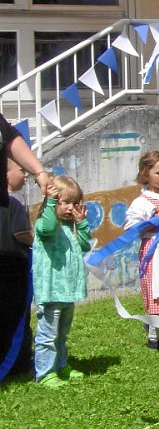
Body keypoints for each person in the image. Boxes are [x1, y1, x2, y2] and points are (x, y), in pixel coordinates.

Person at [33, 174, 91, 388]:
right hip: (51, 293)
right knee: (48, 336)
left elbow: (85, 245)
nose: (69, 207)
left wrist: (82, 223)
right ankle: (45, 373)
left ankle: (60, 364)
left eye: (74, 203)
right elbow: (48, 228)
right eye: (64, 202)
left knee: (61, 334)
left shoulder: (70, 228)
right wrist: (49, 201)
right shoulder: (45, 225)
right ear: (52, 202)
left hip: (67, 293)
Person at [124, 150, 159, 349]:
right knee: (156, 292)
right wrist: (156, 221)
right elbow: (131, 229)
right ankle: (156, 334)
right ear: (146, 174)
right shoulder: (142, 202)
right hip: (154, 250)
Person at [0, 159, 33, 380]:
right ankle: (19, 365)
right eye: (21, 170)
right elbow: (20, 233)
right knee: (18, 318)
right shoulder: (15, 204)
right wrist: (36, 241)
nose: (26, 175)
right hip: (13, 269)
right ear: (5, 174)